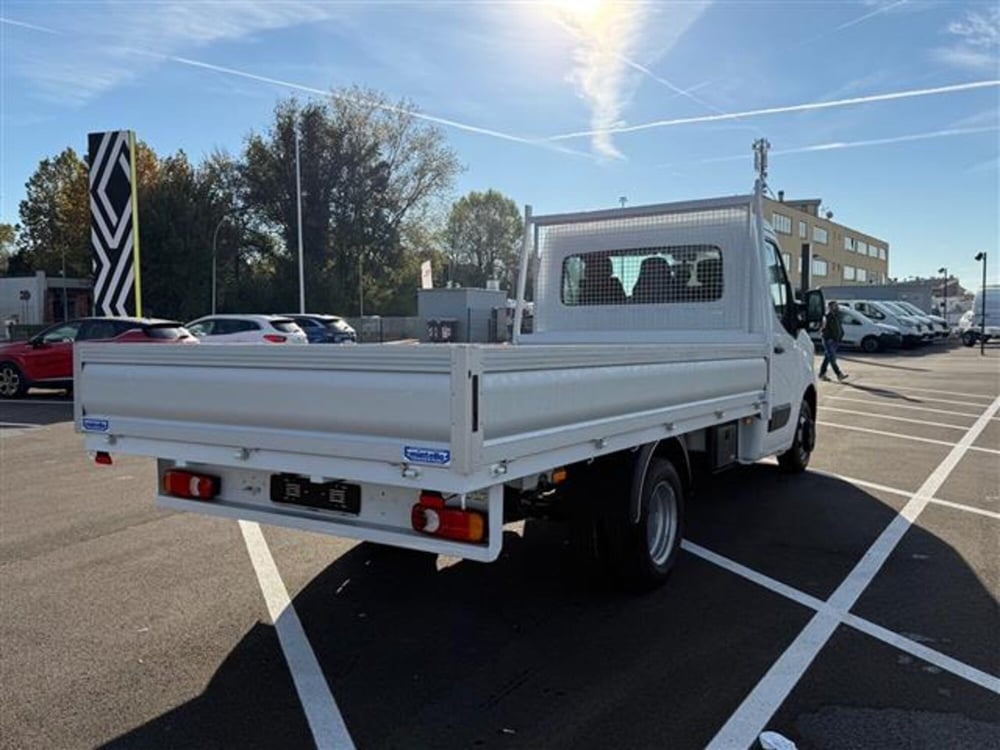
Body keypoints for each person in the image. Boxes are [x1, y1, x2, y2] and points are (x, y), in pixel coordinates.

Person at [818, 300, 848, 382]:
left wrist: (841, 335)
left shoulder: (837, 316)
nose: (836, 307)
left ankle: (821, 374)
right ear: (830, 307)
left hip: (836, 340)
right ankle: (839, 374)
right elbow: (823, 329)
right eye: (834, 306)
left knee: (827, 358)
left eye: (836, 305)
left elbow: (839, 327)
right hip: (829, 341)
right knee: (832, 358)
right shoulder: (827, 317)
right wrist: (829, 338)